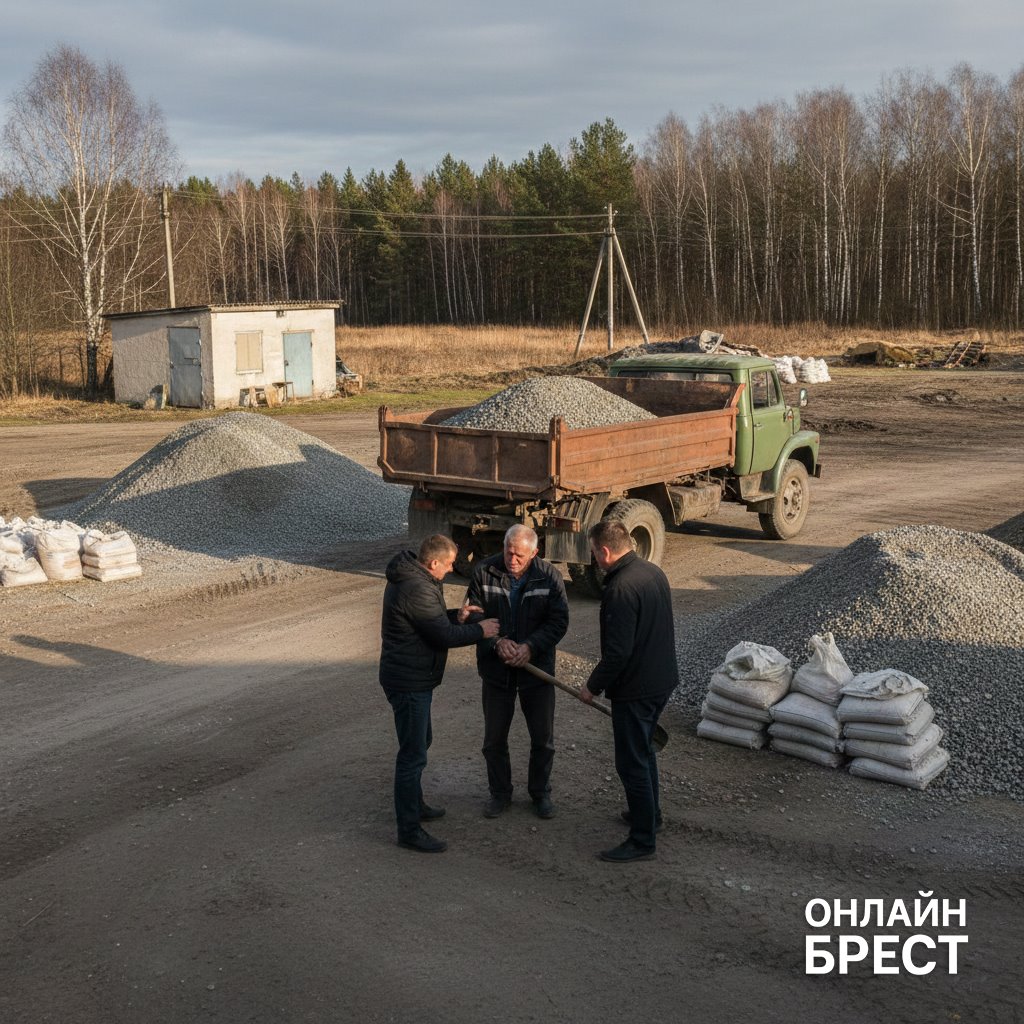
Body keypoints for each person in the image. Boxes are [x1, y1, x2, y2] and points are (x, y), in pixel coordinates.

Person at [379, 534, 499, 853]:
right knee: (413, 754)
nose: (450, 570)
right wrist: (479, 630)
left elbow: (430, 622)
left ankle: (415, 806)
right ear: (433, 563)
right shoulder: (417, 586)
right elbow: (442, 636)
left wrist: (454, 615)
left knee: (420, 743)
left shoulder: (416, 577)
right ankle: (409, 830)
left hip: (413, 678)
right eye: (447, 564)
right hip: (408, 681)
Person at [580, 519, 678, 863]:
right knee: (645, 750)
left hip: (637, 688)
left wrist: (592, 686)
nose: (594, 559)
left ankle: (642, 840)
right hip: (661, 680)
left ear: (605, 550)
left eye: (594, 553)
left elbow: (618, 653)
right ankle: (650, 816)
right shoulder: (652, 571)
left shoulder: (620, 588)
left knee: (632, 761)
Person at [461, 525, 569, 819]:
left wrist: (531, 647)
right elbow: (474, 615)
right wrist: (496, 644)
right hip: (497, 673)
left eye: (520, 555)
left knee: (542, 739)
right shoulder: (484, 571)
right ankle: (500, 794)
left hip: (537, 672)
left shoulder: (549, 577)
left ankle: (540, 793)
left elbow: (559, 622)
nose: (512, 559)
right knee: (494, 739)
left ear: (534, 552)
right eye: (509, 551)